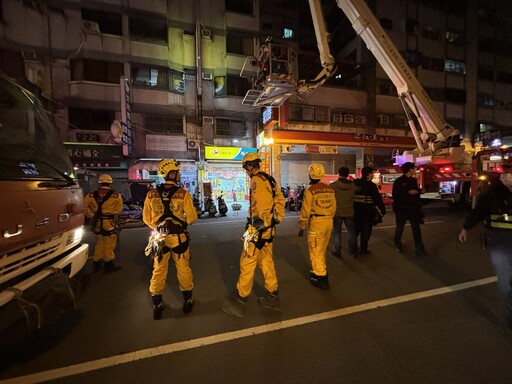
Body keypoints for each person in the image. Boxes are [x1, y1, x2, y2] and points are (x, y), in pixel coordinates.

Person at [222, 152, 285, 317]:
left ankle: (240, 300)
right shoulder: (269, 179)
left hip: (258, 229)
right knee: (266, 262)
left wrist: (260, 225)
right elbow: (279, 201)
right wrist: (271, 221)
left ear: (249, 166)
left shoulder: (257, 180)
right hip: (268, 229)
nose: (246, 171)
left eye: (245, 168)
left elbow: (263, 205)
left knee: (247, 262)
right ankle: (273, 296)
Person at [143, 159, 198, 320]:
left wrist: (158, 226)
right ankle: (187, 302)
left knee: (159, 270)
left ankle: (157, 305)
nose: (180, 174)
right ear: (172, 174)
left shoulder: (151, 194)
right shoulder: (183, 194)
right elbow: (193, 217)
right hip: (179, 238)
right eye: (178, 171)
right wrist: (180, 225)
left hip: (159, 239)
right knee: (183, 268)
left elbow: (146, 218)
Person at [458, 163, 512, 329]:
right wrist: (466, 227)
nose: (508, 175)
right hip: (501, 241)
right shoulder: (492, 193)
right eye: (507, 172)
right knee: (506, 281)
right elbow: (479, 212)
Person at [299, 164, 336, 290]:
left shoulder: (310, 191)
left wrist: (302, 226)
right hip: (328, 222)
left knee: (315, 251)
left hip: (316, 223)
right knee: (321, 250)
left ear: (310, 174)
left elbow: (305, 211)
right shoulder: (329, 189)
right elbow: (334, 207)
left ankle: (321, 277)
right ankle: (320, 270)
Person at [84, 173, 124, 273]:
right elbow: (119, 209)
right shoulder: (116, 195)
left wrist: (91, 215)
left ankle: (96, 262)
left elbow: (83, 207)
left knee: (100, 243)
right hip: (109, 223)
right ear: (110, 183)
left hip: (97, 223)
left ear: (100, 183)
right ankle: (108, 264)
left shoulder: (91, 195)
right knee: (109, 244)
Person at [392, 162, 426, 257]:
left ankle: (419, 249)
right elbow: (395, 195)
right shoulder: (399, 181)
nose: (415, 170)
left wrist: (420, 191)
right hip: (402, 209)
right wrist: (408, 193)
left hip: (413, 208)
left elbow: (415, 190)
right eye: (414, 168)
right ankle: (397, 244)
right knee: (400, 227)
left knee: (416, 229)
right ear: (409, 170)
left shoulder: (413, 180)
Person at [353, 166, 386, 255]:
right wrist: (382, 209)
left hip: (355, 210)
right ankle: (363, 249)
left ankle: (353, 248)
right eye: (372, 173)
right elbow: (377, 199)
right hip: (367, 211)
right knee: (366, 230)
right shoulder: (371, 185)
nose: (373, 175)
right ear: (368, 174)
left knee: (355, 230)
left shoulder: (355, 183)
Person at [330, 166, 356, 258]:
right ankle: (353, 250)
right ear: (348, 175)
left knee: (337, 232)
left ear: (338, 174)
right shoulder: (353, 186)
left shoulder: (333, 186)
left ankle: (338, 251)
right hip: (349, 211)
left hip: (337, 212)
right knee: (352, 232)